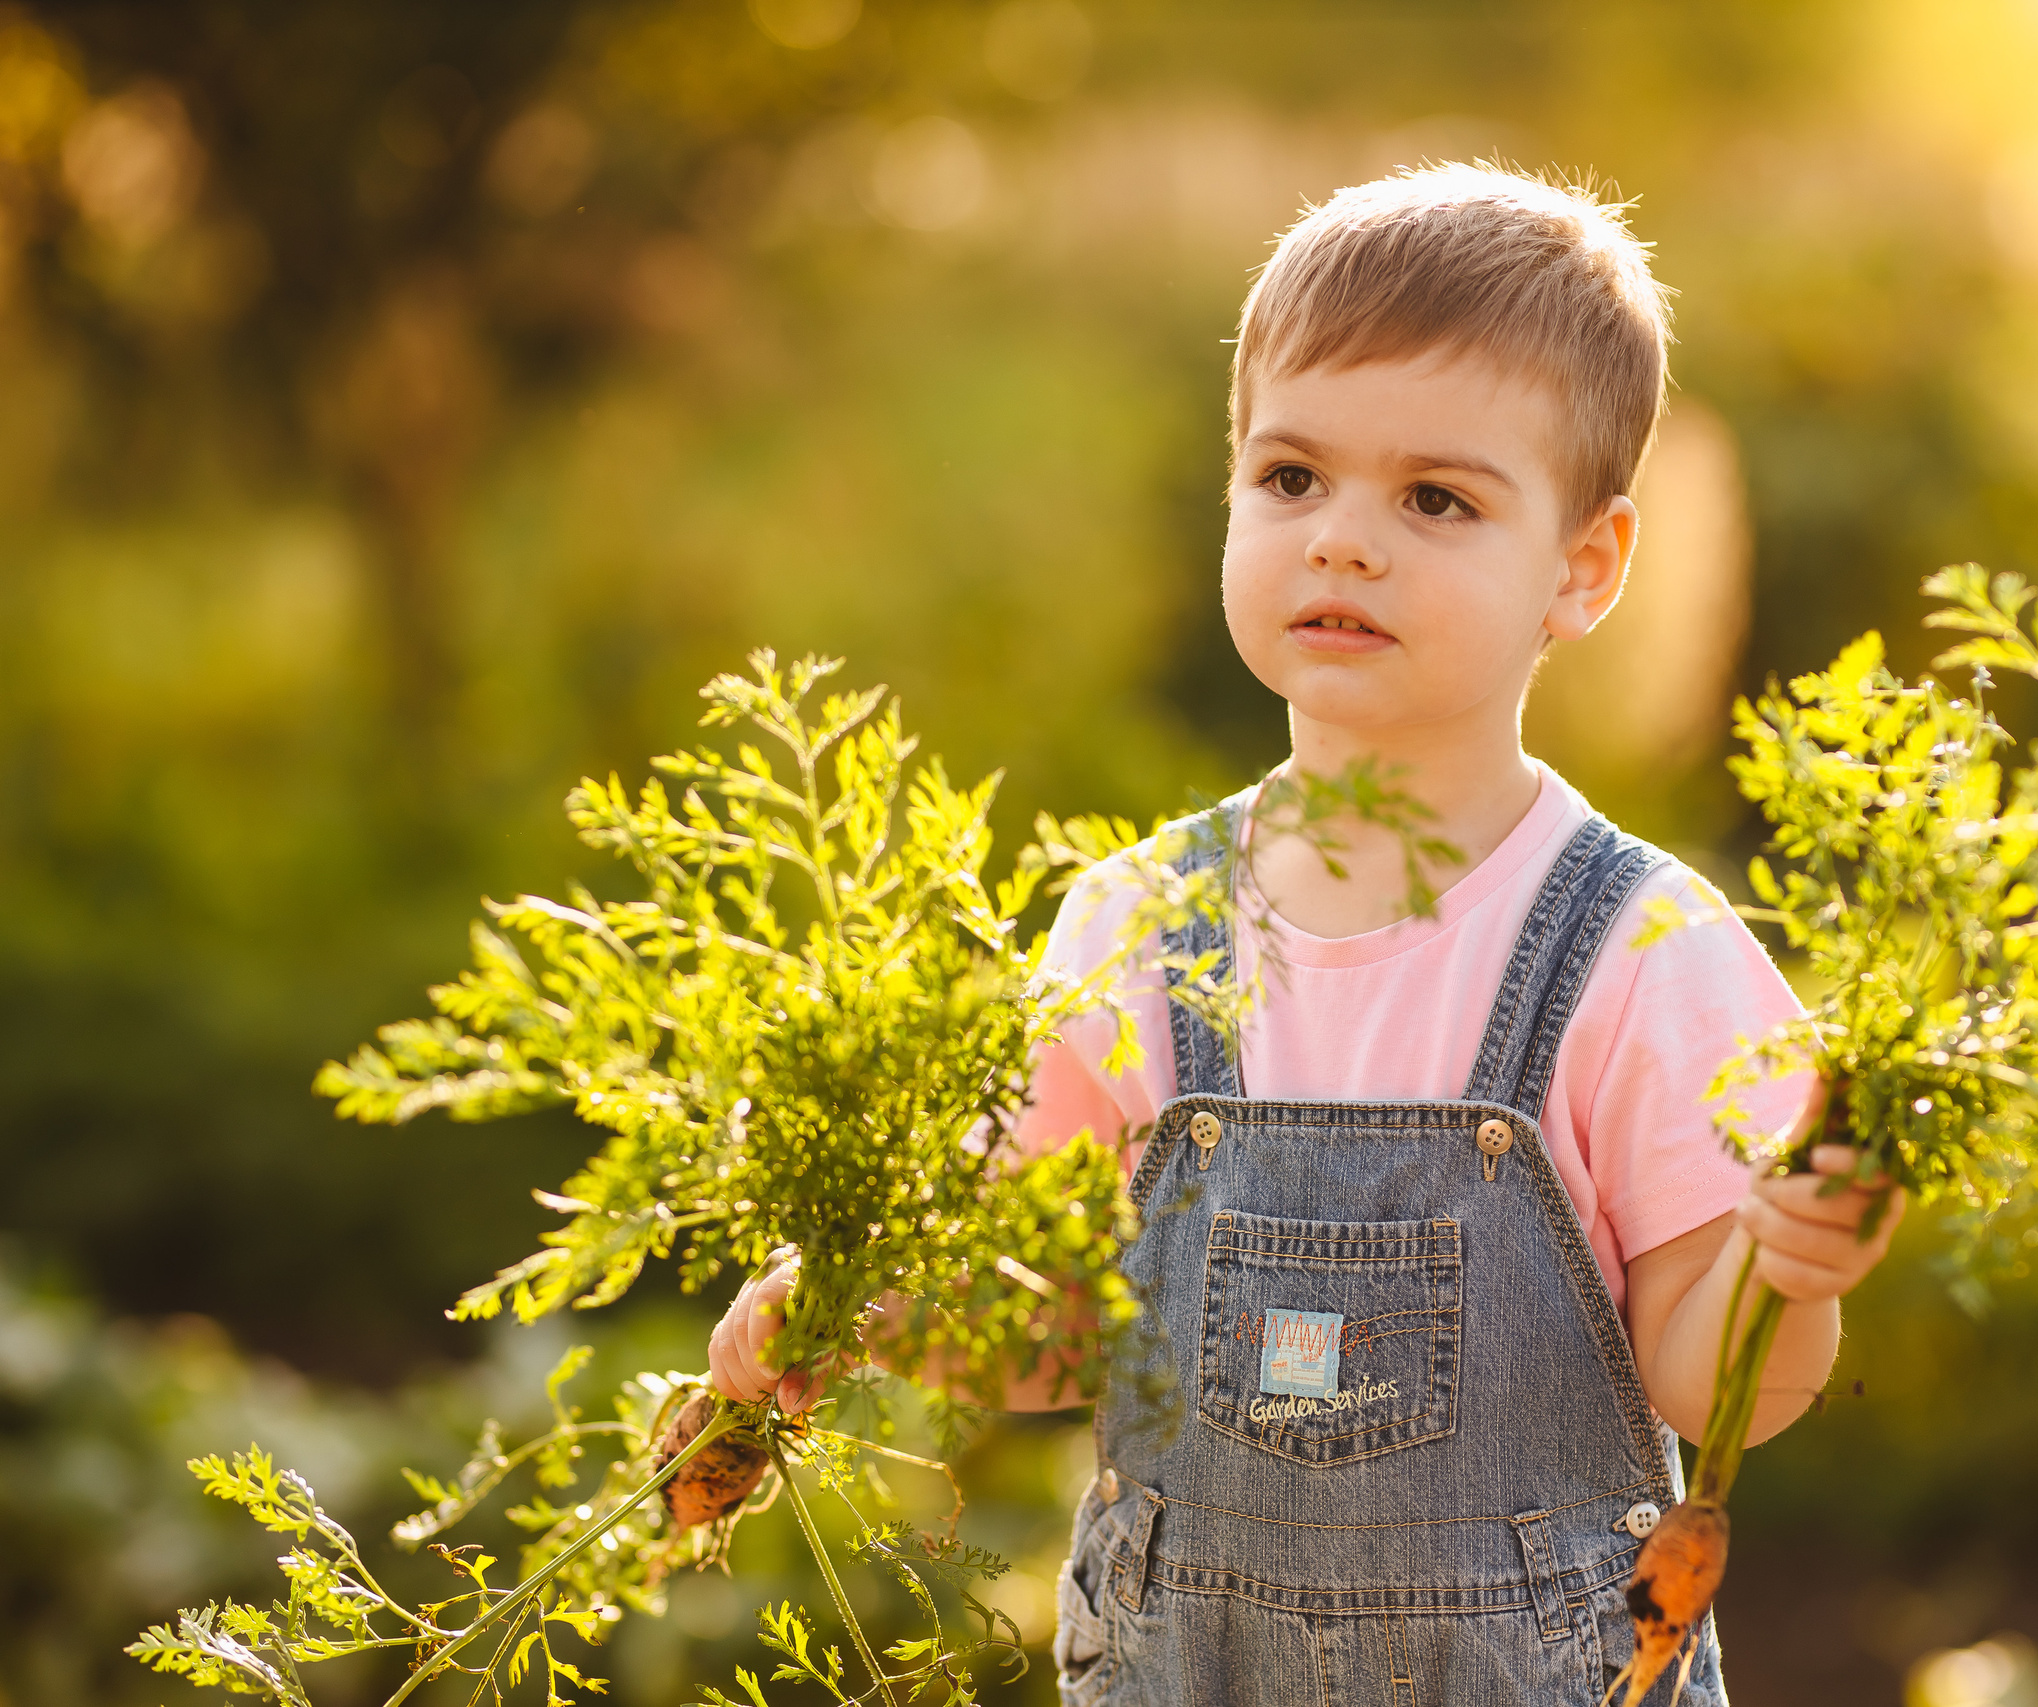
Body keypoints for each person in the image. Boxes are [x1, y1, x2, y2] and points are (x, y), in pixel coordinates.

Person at [706, 162, 1904, 1705]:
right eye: (1290, 479)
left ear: (1585, 568)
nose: (1343, 539)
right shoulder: (1136, 924)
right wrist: (871, 1298)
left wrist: (1789, 1266)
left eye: (1435, 499)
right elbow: (1048, 1328)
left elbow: (1708, 1374)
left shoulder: (1636, 947)